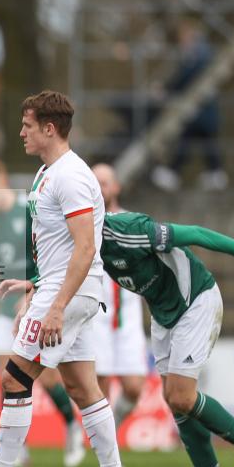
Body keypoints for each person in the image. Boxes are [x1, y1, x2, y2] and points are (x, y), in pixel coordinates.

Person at [0, 213, 234, 467]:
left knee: (181, 397)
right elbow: (67, 270)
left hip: (195, 301)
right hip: (163, 313)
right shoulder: (84, 244)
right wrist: (33, 283)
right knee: (174, 399)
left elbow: (196, 232)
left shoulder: (130, 231)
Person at [0, 91, 132, 467]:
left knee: (13, 378)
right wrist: (34, 286)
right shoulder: (48, 173)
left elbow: (85, 249)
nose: (21, 132)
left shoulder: (70, 176)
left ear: (49, 128)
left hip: (71, 293)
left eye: (27, 125)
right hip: (66, 289)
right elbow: (61, 248)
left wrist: (57, 305)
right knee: (83, 388)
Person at [0, 157, 85, 467]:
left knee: (46, 379)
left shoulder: (28, 207)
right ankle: (18, 448)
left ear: (2, 179)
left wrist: (33, 293)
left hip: (38, 302)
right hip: (7, 310)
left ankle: (72, 426)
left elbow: (49, 253)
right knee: (6, 379)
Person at [91, 163, 147, 426]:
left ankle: (111, 427)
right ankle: (102, 443)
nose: (100, 188)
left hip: (129, 317)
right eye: (95, 182)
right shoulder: (85, 223)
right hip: (98, 316)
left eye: (104, 182)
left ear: (116, 187)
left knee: (134, 386)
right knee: (100, 387)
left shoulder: (132, 221)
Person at [151, 18, 228, 192]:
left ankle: (174, 172)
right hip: (202, 111)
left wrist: (167, 89)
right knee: (203, 140)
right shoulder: (199, 51)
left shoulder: (199, 53)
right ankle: (214, 173)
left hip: (202, 110)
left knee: (192, 138)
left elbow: (186, 76)